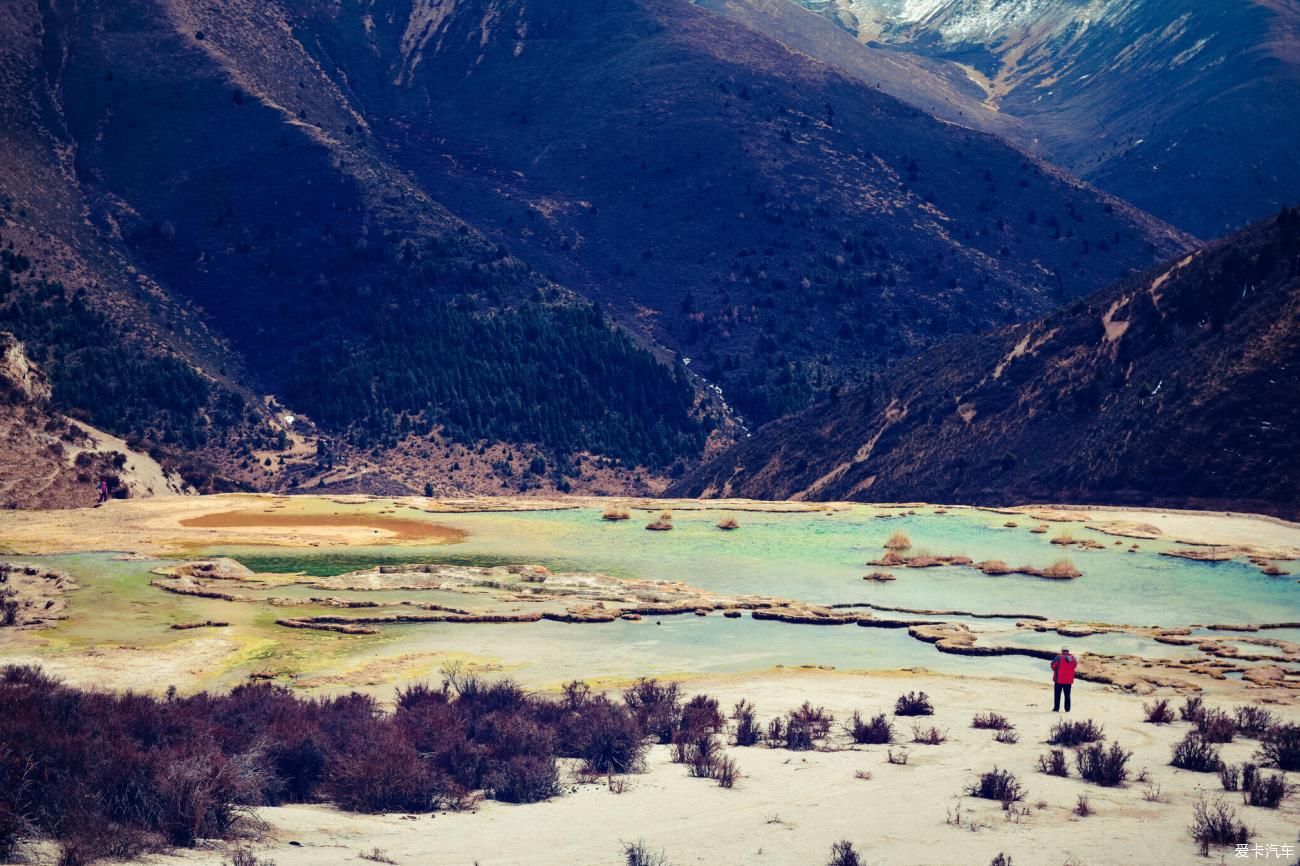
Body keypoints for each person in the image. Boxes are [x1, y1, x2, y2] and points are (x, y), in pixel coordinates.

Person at [1050, 646, 1077, 712]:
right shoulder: (1073, 658)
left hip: (1058, 680)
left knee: (1057, 695)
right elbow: (1075, 666)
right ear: (1068, 651)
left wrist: (1056, 670)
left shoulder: (1058, 657)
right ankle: (1067, 709)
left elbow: (1053, 665)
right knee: (1067, 695)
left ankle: (1056, 709)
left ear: (1062, 651)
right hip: (1068, 680)